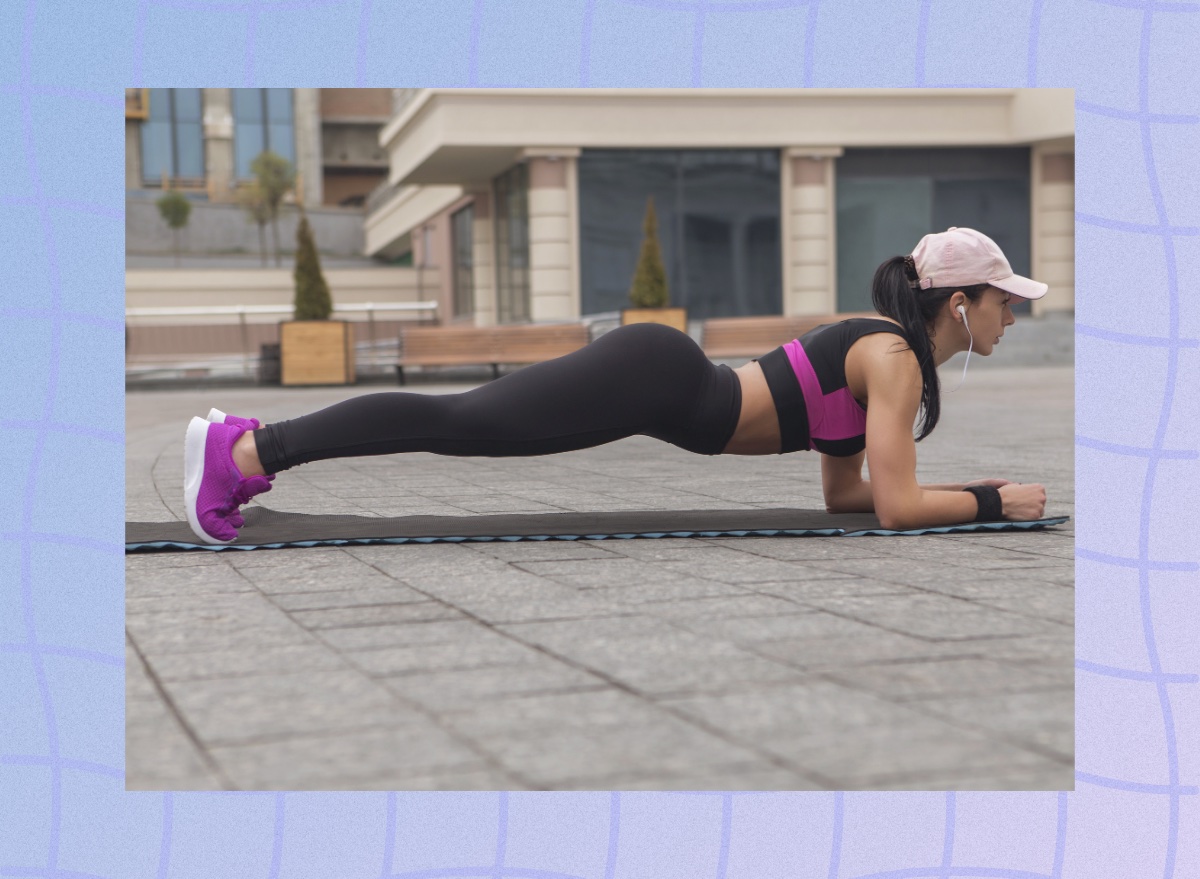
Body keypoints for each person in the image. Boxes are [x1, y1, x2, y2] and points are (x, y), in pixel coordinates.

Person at [183, 227, 1049, 545]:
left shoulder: (887, 360)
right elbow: (896, 510)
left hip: (667, 386)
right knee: (461, 422)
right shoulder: (894, 361)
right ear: (960, 303)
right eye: (1004, 303)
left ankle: (252, 445)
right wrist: (987, 500)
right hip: (661, 380)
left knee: (463, 423)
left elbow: (847, 495)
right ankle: (249, 448)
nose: (1012, 317)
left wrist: (966, 494)